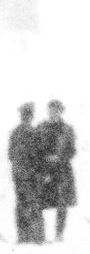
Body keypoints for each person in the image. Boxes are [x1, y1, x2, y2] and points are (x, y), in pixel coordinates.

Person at [35, 99, 77, 243]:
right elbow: (36, 149)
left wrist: (59, 157)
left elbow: (72, 150)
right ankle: (40, 235)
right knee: (39, 201)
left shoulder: (67, 129)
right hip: (45, 170)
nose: (53, 113)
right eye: (50, 110)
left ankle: (59, 233)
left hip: (62, 170)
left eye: (56, 110)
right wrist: (44, 160)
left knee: (62, 202)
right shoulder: (41, 127)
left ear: (61, 111)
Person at [9, 102, 41, 245]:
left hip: (30, 176)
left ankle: (34, 238)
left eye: (28, 115)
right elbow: (11, 155)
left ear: (31, 116)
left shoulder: (34, 133)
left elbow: (39, 155)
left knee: (32, 205)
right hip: (22, 176)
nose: (26, 117)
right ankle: (24, 237)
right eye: (24, 115)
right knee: (24, 205)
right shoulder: (17, 133)